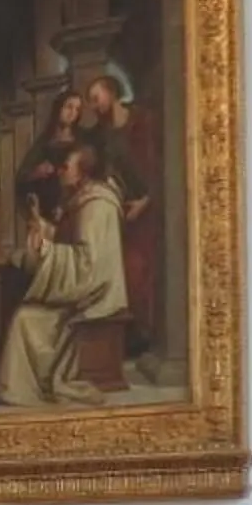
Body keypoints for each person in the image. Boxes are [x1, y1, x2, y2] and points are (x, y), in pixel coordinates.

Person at [0, 139, 130, 407]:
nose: (60, 171)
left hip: (95, 296)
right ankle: (12, 387)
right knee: (24, 309)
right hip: (86, 287)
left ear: (83, 171)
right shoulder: (83, 199)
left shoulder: (96, 206)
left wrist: (45, 249)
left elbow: (86, 264)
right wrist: (42, 228)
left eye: (66, 166)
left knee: (24, 318)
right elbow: (72, 243)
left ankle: (17, 390)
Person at [79, 74, 161, 354]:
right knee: (123, 269)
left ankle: (148, 335)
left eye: (95, 97)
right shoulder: (102, 132)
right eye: (90, 100)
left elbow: (160, 166)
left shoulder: (142, 120)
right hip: (124, 207)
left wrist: (146, 201)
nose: (93, 105)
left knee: (142, 270)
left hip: (149, 206)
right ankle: (132, 336)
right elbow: (105, 167)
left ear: (112, 93)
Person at [15, 88, 87, 239]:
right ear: (58, 108)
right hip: (46, 208)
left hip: (73, 205)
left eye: (77, 109)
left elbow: (89, 171)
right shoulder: (45, 141)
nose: (72, 113)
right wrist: (37, 172)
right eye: (69, 107)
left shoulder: (82, 139)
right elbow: (22, 177)